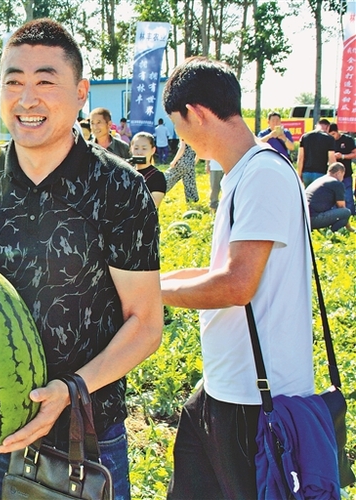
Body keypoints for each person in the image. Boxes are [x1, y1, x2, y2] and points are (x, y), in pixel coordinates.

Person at [0, 18, 163, 499]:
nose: (26, 97)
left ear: (80, 93)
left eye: (45, 81)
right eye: (13, 81)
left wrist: (71, 389)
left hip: (85, 438)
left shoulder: (119, 188)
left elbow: (145, 323)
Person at [160, 56, 314, 499]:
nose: (180, 139)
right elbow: (223, 271)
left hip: (255, 399)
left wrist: (157, 295)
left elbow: (236, 285)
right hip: (225, 387)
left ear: (197, 114)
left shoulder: (263, 174)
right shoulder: (242, 174)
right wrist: (151, 281)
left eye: (178, 125)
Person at [306, 162, 354, 232]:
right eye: (343, 175)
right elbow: (341, 207)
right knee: (346, 212)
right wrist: (349, 228)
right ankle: (332, 232)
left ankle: (324, 231)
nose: (342, 179)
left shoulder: (320, 180)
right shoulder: (337, 184)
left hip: (304, 219)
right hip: (314, 219)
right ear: (338, 173)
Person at [130, 131, 166, 207]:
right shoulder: (126, 172)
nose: (139, 152)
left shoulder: (157, 176)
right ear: (131, 149)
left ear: (153, 150)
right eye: (136, 148)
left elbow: (153, 205)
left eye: (144, 148)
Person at [298, 118, 336, 187]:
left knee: (308, 195)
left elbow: (301, 158)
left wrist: (299, 174)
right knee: (320, 196)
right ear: (328, 127)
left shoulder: (304, 137)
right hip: (321, 173)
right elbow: (331, 159)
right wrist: (333, 175)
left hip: (306, 173)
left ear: (316, 126)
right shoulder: (330, 139)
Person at [328, 123, 356, 214]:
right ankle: (338, 214)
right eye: (330, 135)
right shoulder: (328, 141)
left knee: (348, 196)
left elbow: (354, 153)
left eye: (333, 134)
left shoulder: (347, 140)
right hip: (333, 175)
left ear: (337, 132)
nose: (332, 137)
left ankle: (350, 214)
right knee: (335, 197)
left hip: (346, 173)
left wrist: (342, 156)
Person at [164, 139, 200, 203]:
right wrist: (194, 162)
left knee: (167, 179)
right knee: (190, 184)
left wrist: (174, 161)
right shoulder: (196, 135)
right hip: (190, 163)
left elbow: (182, 148)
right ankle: (192, 201)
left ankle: (155, 192)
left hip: (181, 162)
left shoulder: (183, 134)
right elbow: (199, 150)